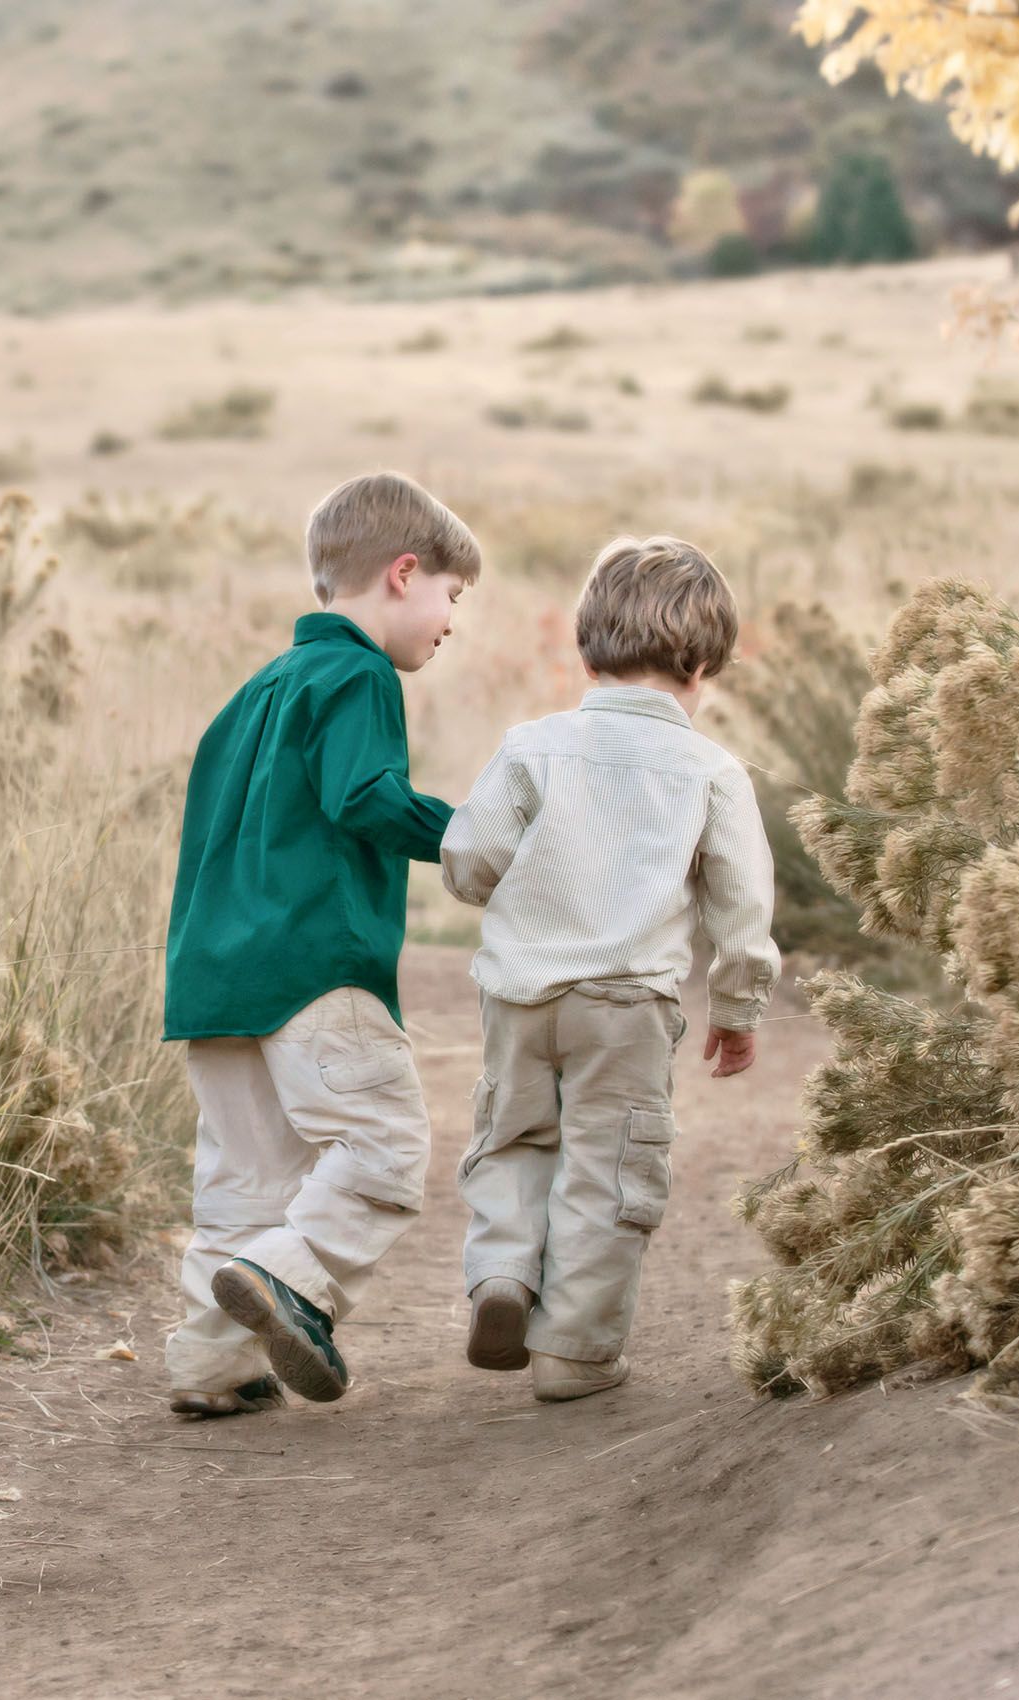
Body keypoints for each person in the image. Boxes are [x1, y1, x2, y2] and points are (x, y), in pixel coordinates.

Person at [160, 472, 480, 1414]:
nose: (450, 621)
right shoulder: (358, 674)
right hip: (313, 967)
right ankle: (295, 1283)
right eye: (451, 598)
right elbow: (364, 799)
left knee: (244, 1183)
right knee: (383, 1145)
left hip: (215, 980)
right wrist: (474, 840)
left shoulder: (254, 693)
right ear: (404, 572)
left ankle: (214, 1366)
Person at [440, 534, 778, 1402]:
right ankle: (576, 1352)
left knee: (513, 1139)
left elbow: (471, 860)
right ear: (701, 664)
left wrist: (516, 890)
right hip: (627, 1005)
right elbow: (742, 916)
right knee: (609, 1167)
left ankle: (505, 1277)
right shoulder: (711, 770)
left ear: (590, 645)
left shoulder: (531, 746)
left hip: (519, 997)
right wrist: (737, 1012)